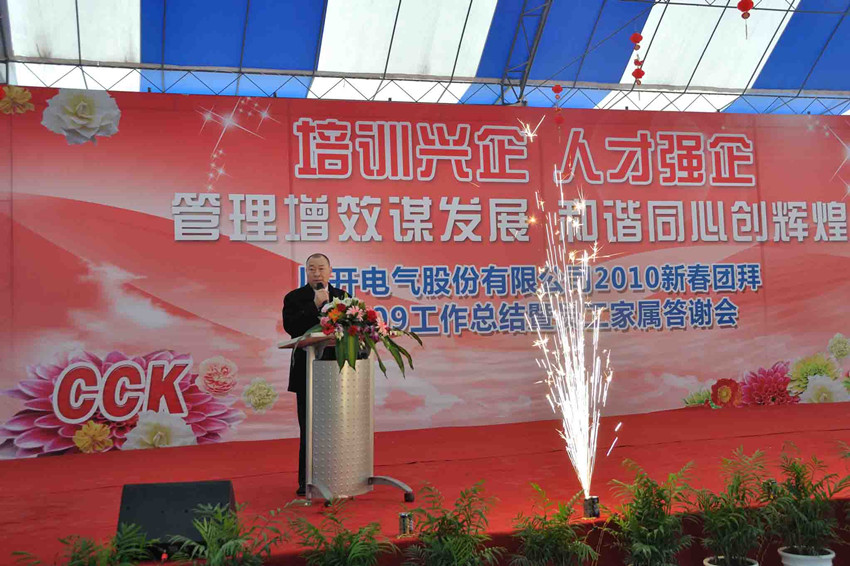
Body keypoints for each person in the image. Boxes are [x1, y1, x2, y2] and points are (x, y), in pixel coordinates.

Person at [282, 253, 347, 497]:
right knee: (309, 427)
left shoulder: (342, 297)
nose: (317, 273)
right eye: (312, 269)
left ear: (330, 271)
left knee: (337, 425)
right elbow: (292, 328)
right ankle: (307, 481)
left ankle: (338, 477)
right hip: (306, 371)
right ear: (306, 272)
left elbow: (348, 327)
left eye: (321, 268)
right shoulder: (294, 297)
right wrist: (315, 305)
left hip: (336, 370)